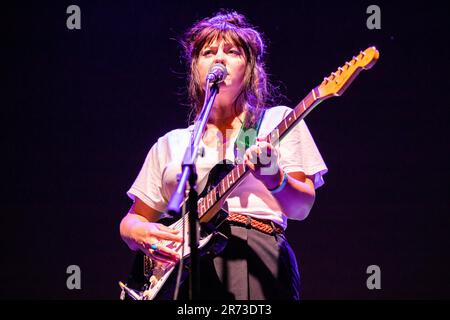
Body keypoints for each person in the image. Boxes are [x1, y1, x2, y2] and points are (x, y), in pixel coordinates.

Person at [119, 10, 328, 300]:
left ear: (249, 68)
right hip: (180, 271)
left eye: (231, 51)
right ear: (195, 68)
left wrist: (275, 178)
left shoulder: (273, 123)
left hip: (254, 257)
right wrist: (141, 234)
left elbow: (301, 207)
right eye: (208, 52)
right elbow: (132, 219)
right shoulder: (172, 143)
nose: (219, 58)